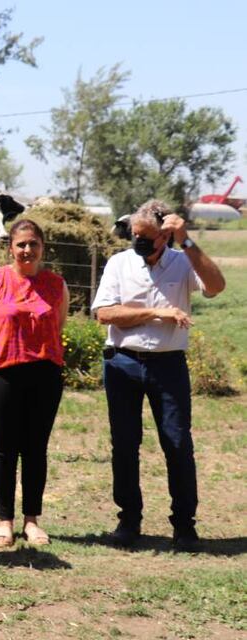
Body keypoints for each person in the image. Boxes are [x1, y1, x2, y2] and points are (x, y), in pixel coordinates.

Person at [91, 200, 225, 552]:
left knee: (177, 443)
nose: (138, 241)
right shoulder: (120, 263)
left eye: (146, 236)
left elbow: (216, 286)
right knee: (124, 443)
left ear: (164, 235)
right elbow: (104, 313)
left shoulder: (183, 263)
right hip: (123, 363)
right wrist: (156, 312)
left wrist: (188, 241)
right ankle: (128, 520)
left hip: (168, 365)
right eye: (135, 235)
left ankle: (184, 525)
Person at [0, 219, 68, 548]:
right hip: (2, 374)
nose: (27, 250)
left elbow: (58, 325)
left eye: (33, 244)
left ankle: (32, 521)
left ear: (42, 248)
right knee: (5, 450)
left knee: (36, 450)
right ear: (10, 247)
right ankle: (5, 521)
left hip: (45, 375)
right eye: (21, 244)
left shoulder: (56, 284)